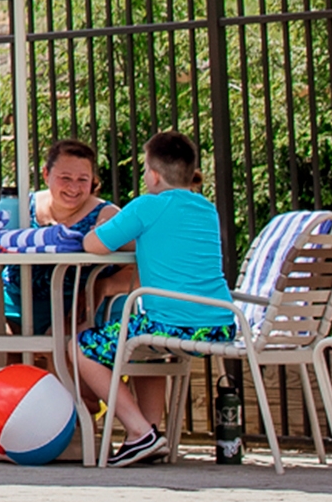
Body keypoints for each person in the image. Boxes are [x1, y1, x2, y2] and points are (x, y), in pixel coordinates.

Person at [77, 129, 233, 467]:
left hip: (171, 326)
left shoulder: (148, 205)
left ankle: (138, 432)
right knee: (145, 347)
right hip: (219, 324)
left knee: (80, 347)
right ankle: (151, 436)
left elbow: (94, 245)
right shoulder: (206, 209)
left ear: (153, 174)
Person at [0, 139, 129, 336]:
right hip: (16, 302)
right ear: (46, 174)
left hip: (79, 308)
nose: (74, 187)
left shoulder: (107, 216)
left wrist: (102, 286)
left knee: (59, 342)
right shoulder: (20, 206)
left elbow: (137, 266)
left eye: (82, 179)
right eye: (65, 178)